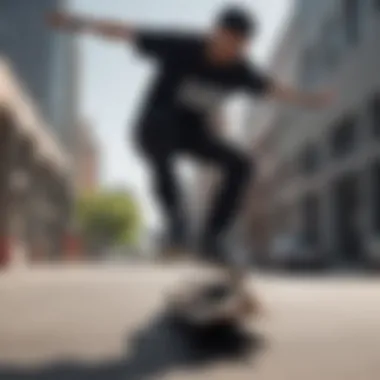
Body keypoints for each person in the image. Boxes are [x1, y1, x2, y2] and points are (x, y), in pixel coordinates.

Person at [47, 6, 333, 290]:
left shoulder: (241, 70)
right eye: (225, 41)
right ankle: (176, 223)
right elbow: (125, 32)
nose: (229, 51)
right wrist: (78, 23)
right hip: (153, 125)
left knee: (242, 164)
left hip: (194, 134)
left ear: (245, 45)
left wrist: (310, 100)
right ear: (215, 33)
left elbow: (273, 88)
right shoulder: (182, 46)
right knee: (162, 133)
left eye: (238, 46)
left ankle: (213, 238)